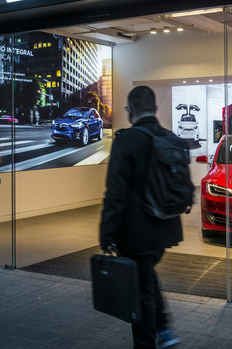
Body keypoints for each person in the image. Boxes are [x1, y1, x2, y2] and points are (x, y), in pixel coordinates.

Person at [99, 85, 184, 349]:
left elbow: (115, 193)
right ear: (155, 109)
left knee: (141, 291)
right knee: (146, 276)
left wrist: (107, 234)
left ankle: (147, 342)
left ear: (130, 110)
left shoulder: (126, 140)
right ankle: (164, 329)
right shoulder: (169, 137)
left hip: (135, 232)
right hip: (164, 228)